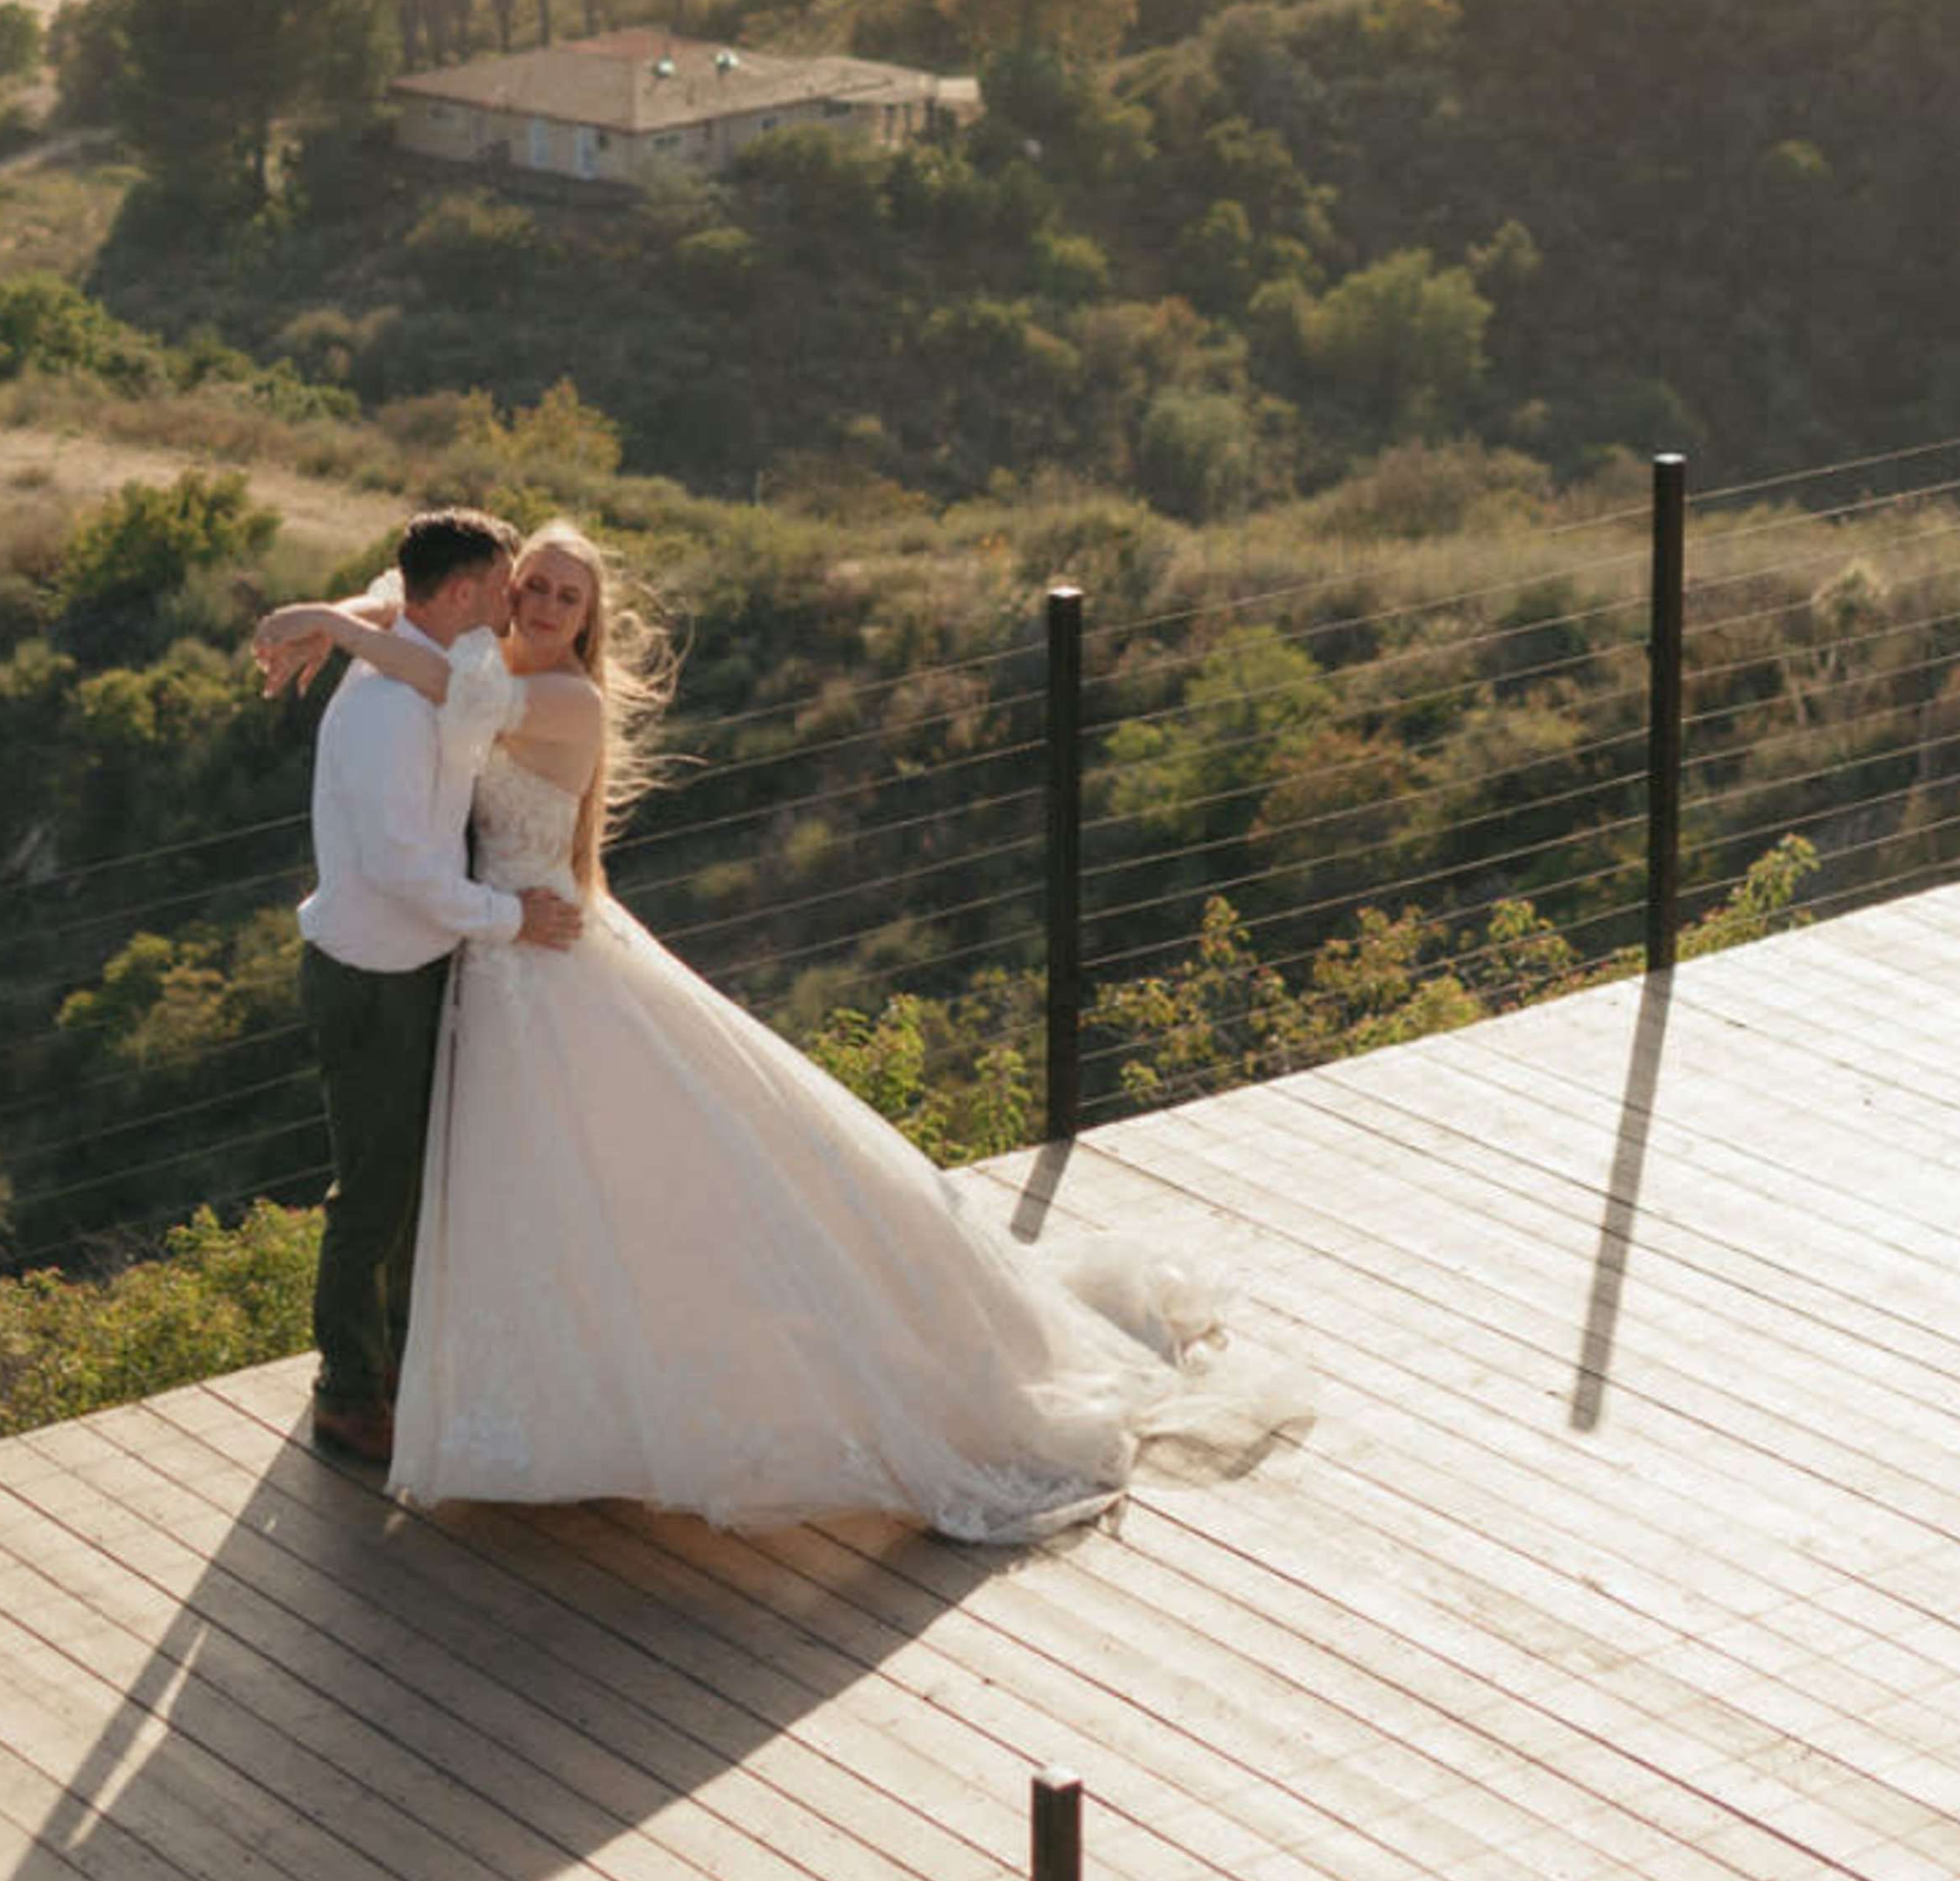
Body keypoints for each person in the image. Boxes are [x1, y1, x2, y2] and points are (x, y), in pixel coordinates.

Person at [257, 519, 1307, 1538]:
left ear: (589, 622)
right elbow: (412, 600)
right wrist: (337, 612)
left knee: (654, 1173)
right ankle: (489, 1382)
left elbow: (444, 677)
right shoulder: (475, 642)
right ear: (494, 590)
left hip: (540, 943)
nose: (537, 602)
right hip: (490, 962)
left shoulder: (558, 697)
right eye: (529, 583)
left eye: (564, 596)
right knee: (525, 1183)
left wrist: (336, 626)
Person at [291, 506, 582, 1473]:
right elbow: (406, 871)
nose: (515, 606)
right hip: (372, 977)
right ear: (460, 595)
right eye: (505, 588)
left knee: (414, 1179)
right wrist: (514, 921)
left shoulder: (438, 656)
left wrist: (319, 617)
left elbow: (387, 589)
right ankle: (346, 1393)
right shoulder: (385, 709)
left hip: (416, 968)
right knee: (372, 1193)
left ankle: (397, 1364)